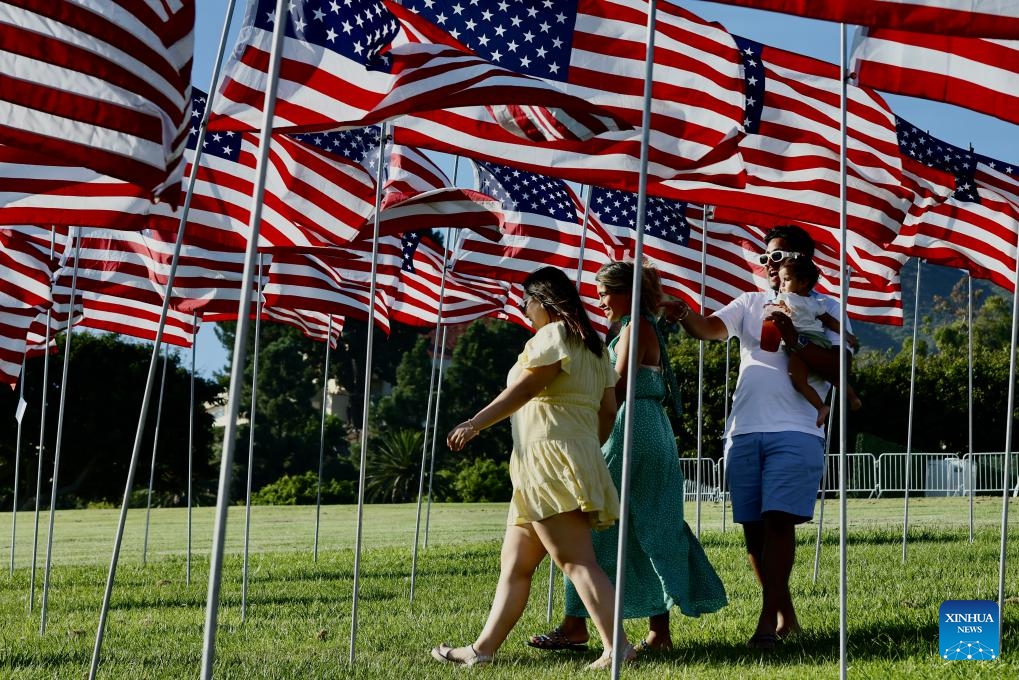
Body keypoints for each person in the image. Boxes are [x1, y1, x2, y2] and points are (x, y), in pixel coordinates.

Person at [431, 266, 634, 669]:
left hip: (546, 461)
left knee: (577, 560)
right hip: (565, 458)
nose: (525, 310)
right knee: (516, 564)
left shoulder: (553, 336)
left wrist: (474, 423)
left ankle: (618, 648)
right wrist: (582, 449)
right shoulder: (593, 348)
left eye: (527, 302)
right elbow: (608, 411)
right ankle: (482, 650)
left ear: (542, 301)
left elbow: (524, 389)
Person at [528, 262, 727, 654]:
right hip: (649, 429)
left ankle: (576, 625)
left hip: (630, 428)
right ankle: (657, 632)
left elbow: (616, 385)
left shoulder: (636, 327)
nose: (599, 300)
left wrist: (580, 414)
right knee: (652, 523)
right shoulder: (636, 325)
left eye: (604, 292)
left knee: (594, 522)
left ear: (625, 293)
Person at [667, 225, 845, 650]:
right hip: (743, 430)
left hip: (799, 429)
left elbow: (839, 367)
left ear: (802, 260)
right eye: (766, 258)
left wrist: (792, 335)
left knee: (779, 520)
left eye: (778, 257)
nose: (769, 265)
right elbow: (710, 328)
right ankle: (786, 617)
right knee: (752, 528)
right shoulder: (749, 302)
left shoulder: (826, 306)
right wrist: (683, 314)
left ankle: (767, 622)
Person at [774, 256, 862, 427]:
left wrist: (846, 335)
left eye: (786, 279)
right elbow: (829, 320)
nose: (782, 285)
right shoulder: (814, 303)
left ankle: (821, 407)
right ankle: (852, 397)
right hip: (820, 341)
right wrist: (846, 334)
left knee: (798, 380)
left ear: (803, 283)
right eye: (781, 280)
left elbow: (829, 320)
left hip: (804, 343)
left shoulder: (786, 299)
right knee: (832, 376)